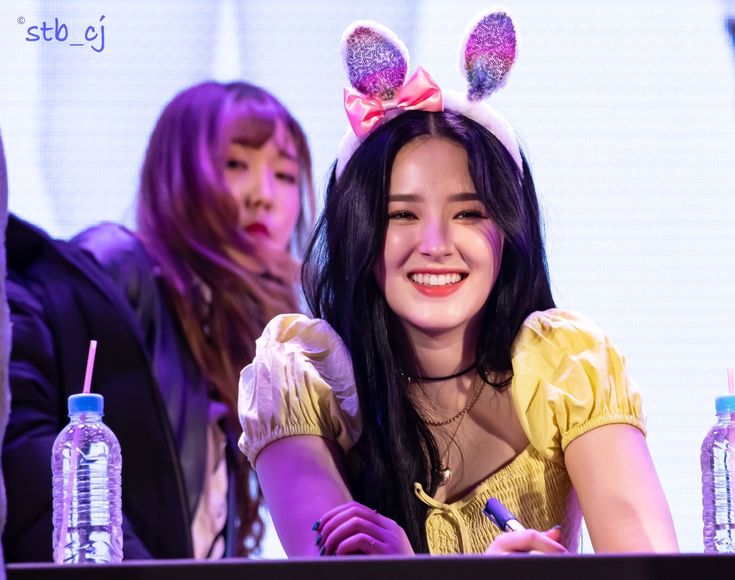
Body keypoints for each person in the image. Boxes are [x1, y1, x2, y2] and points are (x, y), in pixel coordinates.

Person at [238, 12, 679, 556]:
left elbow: (655, 571)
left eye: (469, 213)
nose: (436, 242)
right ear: (360, 235)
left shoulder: (569, 368)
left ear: (508, 232)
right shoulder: (301, 382)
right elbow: (331, 566)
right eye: (401, 215)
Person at [3, 80, 314, 560]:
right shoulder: (112, 269)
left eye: (286, 175)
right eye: (236, 164)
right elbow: (23, 427)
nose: (264, 196)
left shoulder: (233, 342)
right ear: (178, 174)